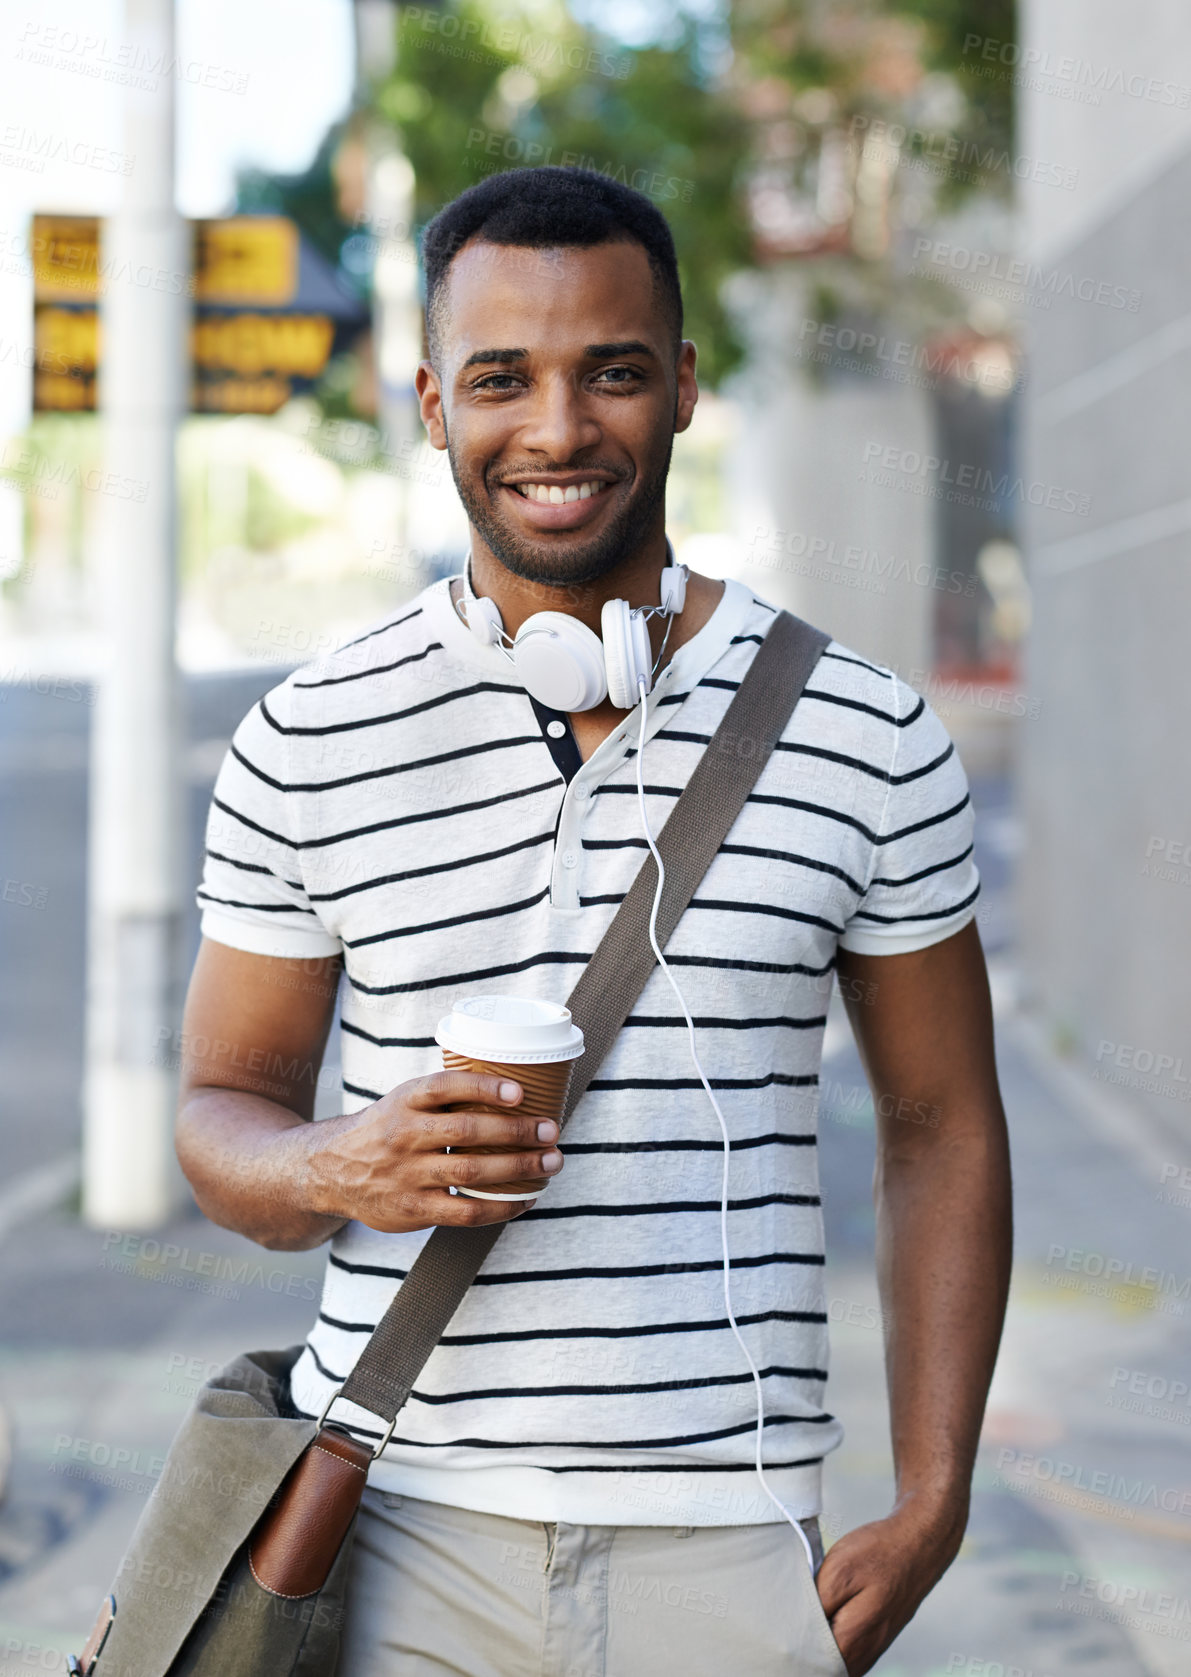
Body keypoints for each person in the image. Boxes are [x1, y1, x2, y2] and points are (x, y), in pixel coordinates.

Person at [178, 165, 1012, 1676]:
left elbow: (943, 1122)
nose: (558, 430)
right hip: (385, 1521)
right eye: (503, 379)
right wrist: (337, 1160)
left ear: (683, 387)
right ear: (433, 402)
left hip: (731, 1541)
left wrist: (937, 1489)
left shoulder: (867, 733)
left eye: (611, 373)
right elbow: (219, 1113)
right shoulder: (309, 738)